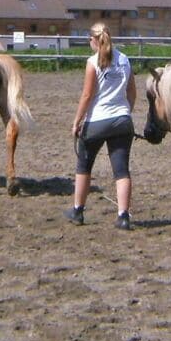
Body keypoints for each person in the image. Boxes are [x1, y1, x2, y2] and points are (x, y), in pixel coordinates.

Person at [65, 21, 138, 230]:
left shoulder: (93, 62)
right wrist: (125, 113)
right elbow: (132, 93)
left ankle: (78, 210)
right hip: (122, 120)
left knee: (83, 167)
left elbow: (87, 95)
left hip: (96, 121)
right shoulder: (124, 60)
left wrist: (76, 121)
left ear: (94, 40)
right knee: (122, 170)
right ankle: (123, 215)